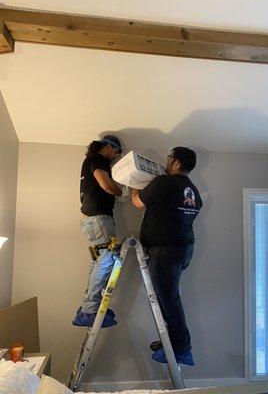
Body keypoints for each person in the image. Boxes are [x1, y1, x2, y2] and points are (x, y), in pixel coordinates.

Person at [130, 147, 202, 365]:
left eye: (169, 158)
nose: (167, 162)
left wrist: (133, 183)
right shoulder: (193, 190)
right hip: (182, 250)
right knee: (168, 298)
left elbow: (137, 203)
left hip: (165, 252)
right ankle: (173, 340)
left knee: (169, 300)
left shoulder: (163, 183)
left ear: (177, 162)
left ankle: (182, 348)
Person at [72, 135, 124, 328]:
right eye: (117, 151)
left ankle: (89, 305)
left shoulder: (90, 160)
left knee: (98, 260)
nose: (116, 156)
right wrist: (121, 192)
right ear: (109, 147)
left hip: (91, 220)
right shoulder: (98, 159)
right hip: (99, 219)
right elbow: (105, 184)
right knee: (108, 257)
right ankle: (90, 309)